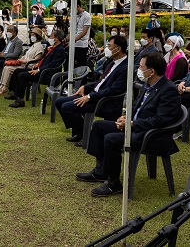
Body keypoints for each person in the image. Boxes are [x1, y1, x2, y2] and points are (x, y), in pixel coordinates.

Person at [76, 53, 181, 197]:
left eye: (142, 67)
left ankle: (114, 183)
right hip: (136, 126)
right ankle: (101, 171)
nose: (139, 69)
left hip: (151, 135)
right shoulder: (148, 84)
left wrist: (132, 124)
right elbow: (136, 105)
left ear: (151, 71)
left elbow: (161, 120)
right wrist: (126, 117)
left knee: (111, 139)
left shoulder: (168, 90)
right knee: (100, 126)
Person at [56, 35, 130, 145]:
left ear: (118, 49)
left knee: (67, 107)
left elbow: (114, 89)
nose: (106, 49)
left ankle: (87, 135)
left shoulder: (125, 67)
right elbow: (102, 81)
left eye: (109, 46)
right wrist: (85, 87)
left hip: (104, 101)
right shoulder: (111, 62)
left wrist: (90, 97)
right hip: (95, 95)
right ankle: (81, 132)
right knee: (59, 102)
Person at [9, 29, 67, 108]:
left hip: (47, 74)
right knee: (17, 71)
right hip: (42, 70)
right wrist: (38, 64)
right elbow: (45, 60)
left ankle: (20, 100)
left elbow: (53, 64)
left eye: (51, 36)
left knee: (22, 75)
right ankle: (15, 94)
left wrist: (39, 69)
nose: (49, 38)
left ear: (56, 38)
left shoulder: (60, 50)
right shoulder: (52, 48)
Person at [0, 27, 45, 98]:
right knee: (6, 67)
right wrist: (21, 59)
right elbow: (25, 55)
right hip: (23, 63)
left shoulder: (39, 47)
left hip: (29, 66)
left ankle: (5, 88)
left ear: (37, 37)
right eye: (31, 35)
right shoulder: (33, 46)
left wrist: (25, 61)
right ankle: (2, 86)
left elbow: (37, 59)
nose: (32, 37)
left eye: (33, 35)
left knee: (8, 69)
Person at [73, 0, 92, 67]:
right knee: (69, 64)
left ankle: (83, 77)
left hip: (82, 45)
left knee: (81, 65)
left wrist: (74, 40)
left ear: (78, 6)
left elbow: (84, 32)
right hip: (74, 45)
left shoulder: (86, 15)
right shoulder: (74, 15)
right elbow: (72, 30)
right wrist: (66, 39)